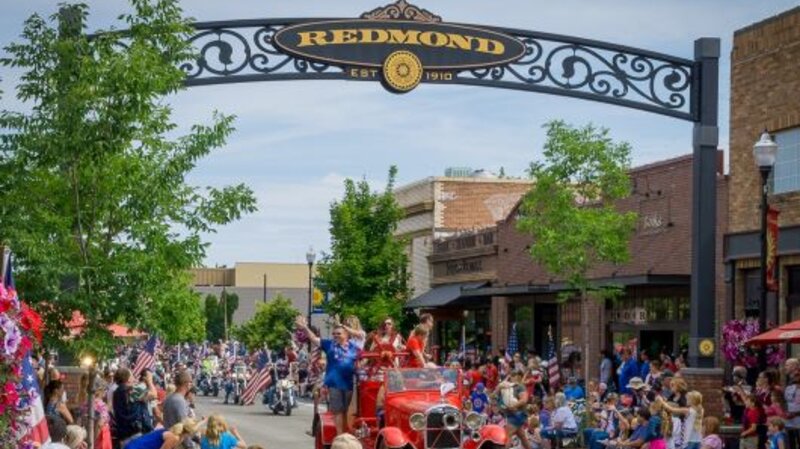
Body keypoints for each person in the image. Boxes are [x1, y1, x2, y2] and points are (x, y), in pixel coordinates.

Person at [296, 315, 358, 436]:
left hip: (350, 384)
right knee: (338, 411)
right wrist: (305, 328)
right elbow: (314, 339)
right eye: (334, 334)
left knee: (349, 412)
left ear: (346, 335)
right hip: (334, 384)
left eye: (338, 333)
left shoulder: (354, 348)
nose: (335, 335)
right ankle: (340, 436)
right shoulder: (329, 344)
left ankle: (348, 434)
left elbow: (363, 360)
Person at [112, 368, 157, 446]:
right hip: (134, 433)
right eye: (132, 375)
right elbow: (154, 395)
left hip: (123, 434)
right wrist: (150, 381)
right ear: (127, 378)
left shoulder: (116, 392)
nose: (133, 378)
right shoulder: (132, 390)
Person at [497, 369, 532, 449]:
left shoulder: (520, 387)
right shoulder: (510, 387)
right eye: (511, 375)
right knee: (522, 436)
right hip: (512, 414)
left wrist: (513, 406)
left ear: (519, 377)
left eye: (513, 375)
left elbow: (524, 400)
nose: (511, 377)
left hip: (518, 414)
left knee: (507, 436)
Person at [79, 376, 112, 449]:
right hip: (100, 438)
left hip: (87, 434)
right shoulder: (101, 406)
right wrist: (92, 441)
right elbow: (100, 424)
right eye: (105, 390)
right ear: (99, 390)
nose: (106, 392)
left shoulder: (85, 404)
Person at [124, 418, 200, 449]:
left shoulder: (172, 430)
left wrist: (204, 420)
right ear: (188, 433)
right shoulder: (173, 437)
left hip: (134, 445)